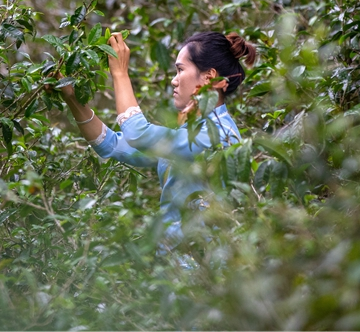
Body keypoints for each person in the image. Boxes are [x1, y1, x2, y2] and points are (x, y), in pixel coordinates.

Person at [56, 30, 257, 256]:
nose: (174, 80)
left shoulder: (218, 134)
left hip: (201, 272)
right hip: (176, 269)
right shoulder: (190, 134)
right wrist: (71, 97)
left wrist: (120, 74)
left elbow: (138, 134)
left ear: (209, 77)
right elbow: (112, 145)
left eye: (180, 70)